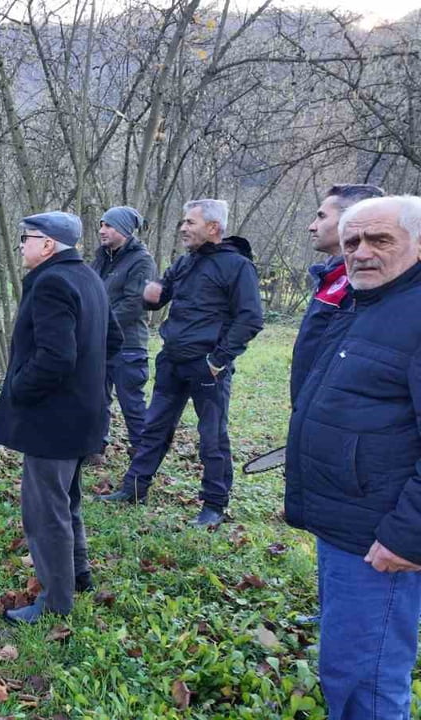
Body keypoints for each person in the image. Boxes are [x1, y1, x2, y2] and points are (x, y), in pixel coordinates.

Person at [284, 195, 421, 719]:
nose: (361, 252)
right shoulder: (364, 304)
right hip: (345, 521)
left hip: (379, 535)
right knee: (345, 664)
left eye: (379, 239)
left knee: (367, 676)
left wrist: (408, 533)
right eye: (352, 242)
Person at [0, 212, 119, 623]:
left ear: (47, 245)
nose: (21, 246)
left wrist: (19, 388)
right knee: (67, 500)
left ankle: (55, 603)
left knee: (45, 512)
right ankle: (78, 575)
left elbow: (56, 357)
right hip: (83, 414)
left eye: (26, 238)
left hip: (53, 420)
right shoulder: (89, 277)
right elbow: (113, 340)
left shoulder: (52, 282)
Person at [103, 199, 263, 528]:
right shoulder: (186, 262)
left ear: (213, 228)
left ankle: (214, 505)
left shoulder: (237, 266)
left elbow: (250, 319)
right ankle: (134, 489)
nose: (183, 228)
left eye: (190, 222)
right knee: (154, 427)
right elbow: (159, 297)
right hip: (172, 360)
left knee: (212, 437)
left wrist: (218, 360)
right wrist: (151, 294)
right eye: (183, 222)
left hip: (207, 367)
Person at [290, 184, 383, 407]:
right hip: (307, 407)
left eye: (322, 216)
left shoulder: (371, 285)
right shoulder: (330, 276)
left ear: (352, 220)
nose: (312, 226)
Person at [89, 206, 155, 463]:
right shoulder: (101, 258)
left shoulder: (141, 261)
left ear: (125, 230)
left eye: (108, 225)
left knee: (132, 402)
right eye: (101, 225)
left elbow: (134, 303)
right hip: (100, 343)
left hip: (128, 345)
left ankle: (143, 455)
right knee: (96, 397)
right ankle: (95, 449)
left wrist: (100, 325)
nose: (101, 230)